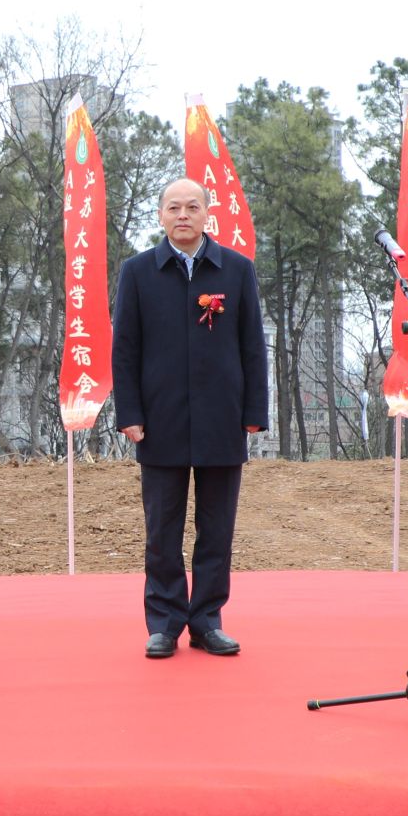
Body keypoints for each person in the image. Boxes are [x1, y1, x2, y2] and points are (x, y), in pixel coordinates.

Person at [112, 178, 269, 658]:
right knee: (162, 530)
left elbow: (252, 345)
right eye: (174, 207)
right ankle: (164, 623)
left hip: (222, 417)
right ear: (160, 215)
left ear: (206, 214)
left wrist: (254, 412)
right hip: (159, 419)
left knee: (216, 530)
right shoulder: (138, 272)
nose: (183, 215)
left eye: (192, 207)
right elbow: (125, 349)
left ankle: (206, 621)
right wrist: (130, 412)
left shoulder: (236, 270)